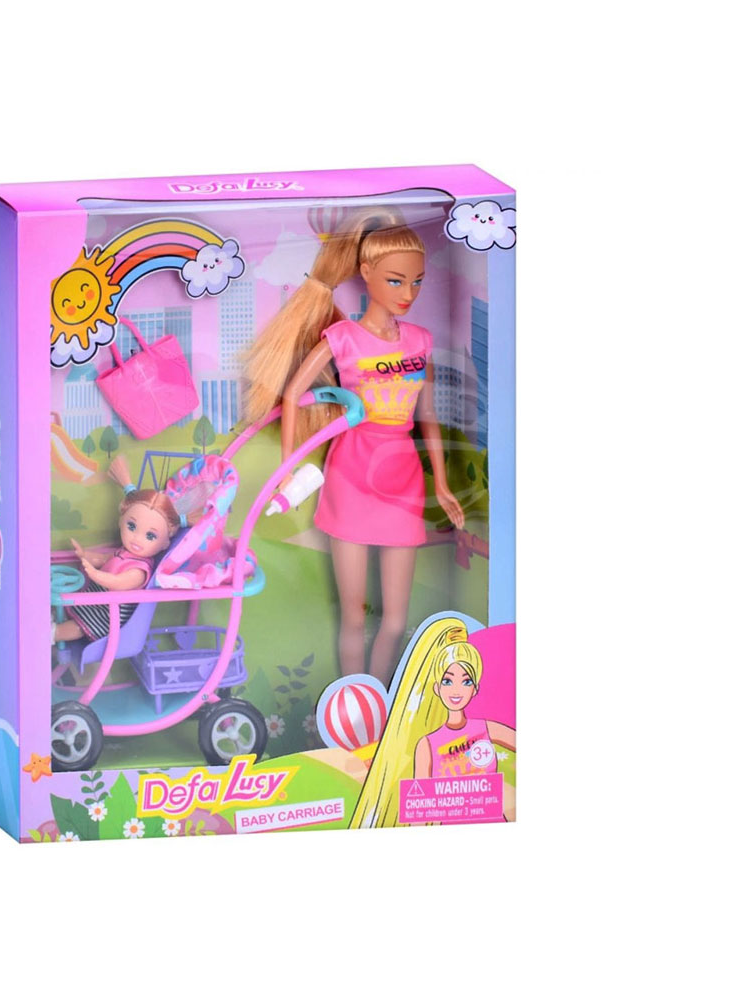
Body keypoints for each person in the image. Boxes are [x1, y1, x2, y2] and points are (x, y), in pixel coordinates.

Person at [245, 208, 463, 683]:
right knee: (354, 615)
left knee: (396, 619)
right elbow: (293, 396)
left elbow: (426, 417)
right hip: (351, 474)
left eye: (417, 282)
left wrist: (443, 485)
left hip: (402, 478)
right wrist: (289, 468)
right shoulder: (342, 338)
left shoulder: (420, 342)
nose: (408, 294)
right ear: (366, 272)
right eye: (396, 281)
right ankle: (351, 702)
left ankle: (378, 701)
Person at [349, 617, 516, 828]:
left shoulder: (485, 729)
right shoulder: (427, 745)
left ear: (474, 689)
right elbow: (422, 809)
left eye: (466, 681)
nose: (456, 690)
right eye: (448, 681)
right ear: (436, 688)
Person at [52, 456, 180, 643]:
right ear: (121, 521)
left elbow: (117, 582)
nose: (137, 538)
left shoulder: (140, 570)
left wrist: (95, 574)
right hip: (96, 600)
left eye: (150, 536)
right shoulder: (124, 552)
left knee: (78, 627)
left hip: (108, 616)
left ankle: (51, 634)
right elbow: (106, 559)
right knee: (69, 607)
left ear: (164, 543)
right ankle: (50, 622)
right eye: (131, 526)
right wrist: (85, 555)